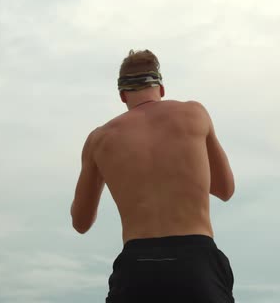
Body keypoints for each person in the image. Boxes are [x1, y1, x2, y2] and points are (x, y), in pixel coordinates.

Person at [70, 49, 236, 302]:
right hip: (196, 264)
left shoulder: (99, 139)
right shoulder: (194, 114)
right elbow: (225, 189)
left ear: (122, 95)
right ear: (161, 88)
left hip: (137, 267)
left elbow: (81, 222)